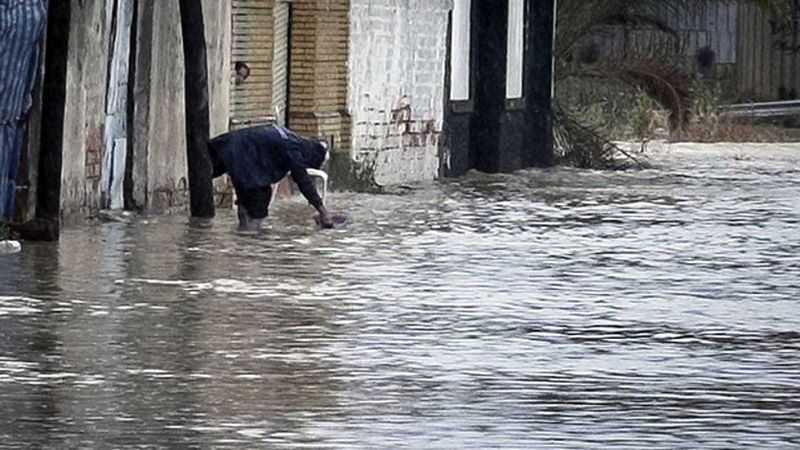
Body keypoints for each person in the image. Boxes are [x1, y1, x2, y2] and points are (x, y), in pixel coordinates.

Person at [208, 123, 335, 229]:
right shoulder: (294, 149)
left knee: (249, 196)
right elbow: (303, 180)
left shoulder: (290, 138)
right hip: (236, 153)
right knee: (259, 198)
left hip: (226, 145)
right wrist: (322, 210)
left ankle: (243, 236)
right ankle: (249, 240)